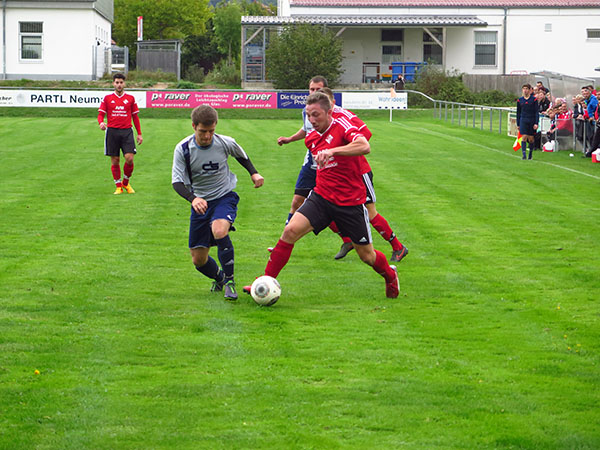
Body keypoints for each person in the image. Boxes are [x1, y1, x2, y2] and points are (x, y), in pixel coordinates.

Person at [244, 92, 400, 299]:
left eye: (316, 115)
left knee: (367, 255)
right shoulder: (312, 138)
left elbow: (365, 146)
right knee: (290, 231)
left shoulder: (343, 127)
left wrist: (333, 151)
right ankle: (264, 282)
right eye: (308, 115)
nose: (312, 120)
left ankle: (390, 275)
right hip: (321, 198)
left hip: (350, 203)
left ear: (329, 112)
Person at [171, 104, 264, 300]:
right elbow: (177, 182)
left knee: (220, 230)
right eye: (202, 131)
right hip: (200, 202)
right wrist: (193, 198)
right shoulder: (183, 149)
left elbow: (241, 155)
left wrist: (254, 173)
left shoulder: (224, 142)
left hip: (224, 196)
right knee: (199, 260)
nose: (207, 136)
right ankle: (220, 277)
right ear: (194, 126)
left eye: (211, 131)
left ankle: (230, 282)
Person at [319, 87, 408, 263]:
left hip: (359, 171)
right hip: (336, 174)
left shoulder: (344, 117)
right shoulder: (319, 119)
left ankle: (398, 247)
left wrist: (348, 148)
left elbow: (365, 135)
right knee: (324, 207)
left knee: (370, 212)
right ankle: (347, 240)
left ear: (332, 103)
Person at [277, 76, 327, 225]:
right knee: (297, 201)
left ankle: (349, 239)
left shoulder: (333, 113)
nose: (314, 92)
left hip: (328, 165)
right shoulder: (306, 111)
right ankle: (283, 243)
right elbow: (306, 130)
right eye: (312, 89)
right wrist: (289, 139)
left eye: (318, 89)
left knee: (330, 206)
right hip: (310, 164)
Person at [98, 73, 143, 195]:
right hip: (112, 132)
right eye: (117, 82)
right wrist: (101, 123)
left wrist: (139, 133)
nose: (119, 85)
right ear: (113, 83)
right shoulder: (107, 98)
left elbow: (135, 117)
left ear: (124, 84)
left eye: (121, 82)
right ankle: (118, 186)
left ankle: (126, 182)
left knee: (129, 158)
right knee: (115, 160)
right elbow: (101, 114)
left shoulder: (130, 99)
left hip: (127, 131)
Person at [516, 84, 539, 160]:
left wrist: (536, 122)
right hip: (523, 119)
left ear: (529, 90)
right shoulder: (520, 100)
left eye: (526, 89)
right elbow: (518, 112)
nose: (525, 90)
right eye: (524, 89)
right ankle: (524, 154)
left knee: (531, 138)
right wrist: (518, 123)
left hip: (531, 120)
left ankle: (530, 154)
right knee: (524, 137)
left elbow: (536, 112)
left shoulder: (534, 100)